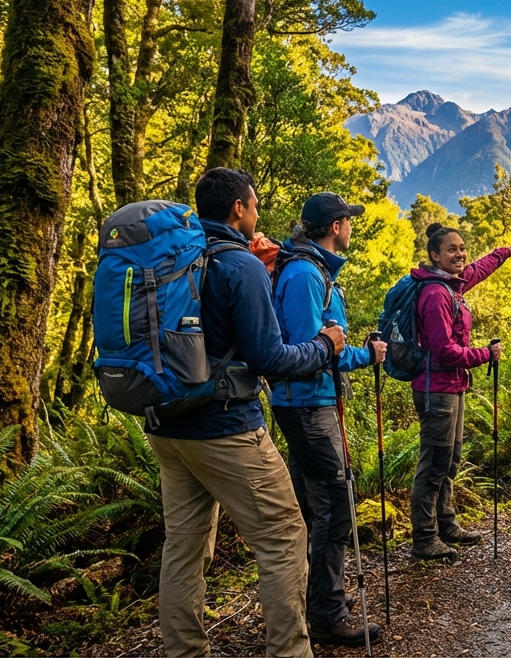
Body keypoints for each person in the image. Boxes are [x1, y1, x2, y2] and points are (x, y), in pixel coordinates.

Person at [149, 167, 346, 658]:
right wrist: (326, 345)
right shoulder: (239, 266)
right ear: (239, 208)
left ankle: (185, 651)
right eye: (254, 205)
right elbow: (271, 359)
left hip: (167, 423)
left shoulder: (180, 255)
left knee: (184, 546)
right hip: (224, 425)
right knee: (283, 536)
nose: (258, 215)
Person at [270, 192, 387, 647]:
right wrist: (362, 353)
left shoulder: (312, 269)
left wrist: (358, 353)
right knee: (335, 506)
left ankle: (316, 601)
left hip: (309, 402)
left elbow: (325, 345)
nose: (351, 226)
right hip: (307, 404)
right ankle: (328, 613)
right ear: (336, 226)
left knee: (315, 506)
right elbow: (305, 350)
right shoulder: (304, 273)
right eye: (348, 220)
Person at [409, 223, 511, 562]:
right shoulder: (435, 294)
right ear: (434, 255)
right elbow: (444, 351)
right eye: (451, 249)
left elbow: (477, 269)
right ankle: (425, 538)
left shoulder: (452, 285)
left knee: (450, 461)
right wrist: (486, 354)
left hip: (453, 387)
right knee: (434, 465)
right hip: (437, 389)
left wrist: (504, 252)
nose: (459, 254)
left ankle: (446, 524)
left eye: (461, 247)